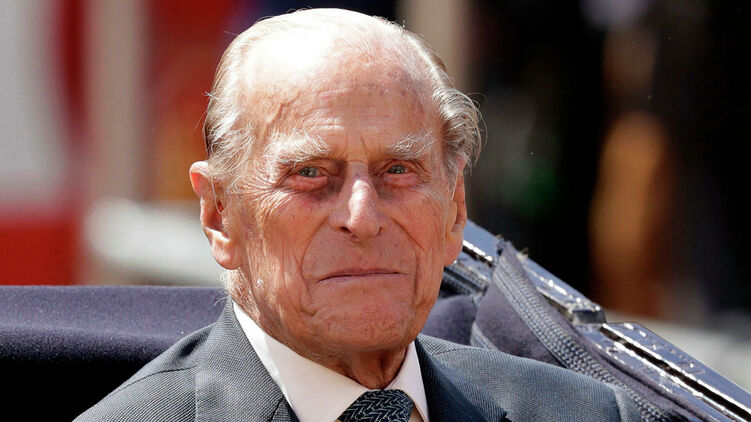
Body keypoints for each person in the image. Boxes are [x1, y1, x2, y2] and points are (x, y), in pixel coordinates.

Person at [77, 8, 639, 422]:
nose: (363, 218)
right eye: (310, 174)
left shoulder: (585, 414)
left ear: (455, 211)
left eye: (398, 170)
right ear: (221, 215)